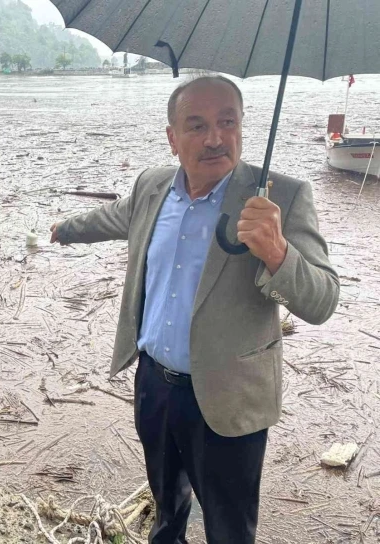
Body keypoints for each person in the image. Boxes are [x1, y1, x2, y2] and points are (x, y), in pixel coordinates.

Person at [49, 76, 339, 544]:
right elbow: (113, 218)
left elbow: (322, 301)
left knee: (229, 527)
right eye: (197, 125)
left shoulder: (278, 199)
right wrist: (64, 228)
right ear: (172, 137)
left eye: (227, 122)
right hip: (155, 387)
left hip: (229, 397)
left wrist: (278, 253)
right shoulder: (153, 186)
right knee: (167, 508)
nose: (214, 138)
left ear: (242, 127)